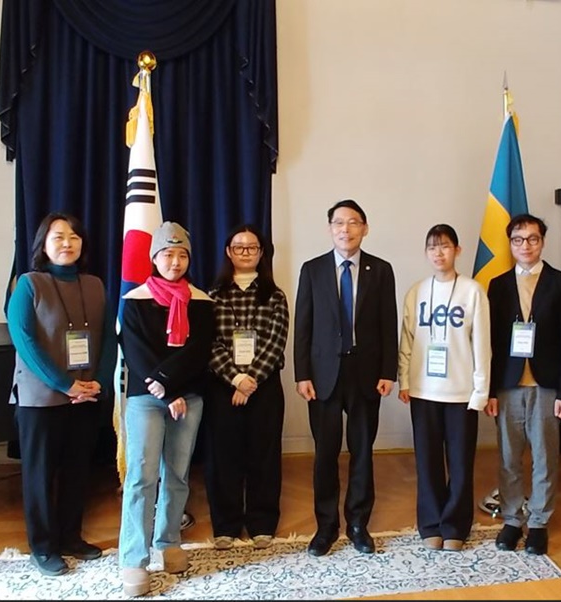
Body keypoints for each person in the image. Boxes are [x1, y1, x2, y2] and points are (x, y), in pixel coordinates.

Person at [6, 211, 117, 577]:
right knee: (39, 475)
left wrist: (99, 382)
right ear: (43, 244)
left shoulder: (95, 285)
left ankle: (70, 537)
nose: (67, 243)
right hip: (41, 398)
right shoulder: (28, 284)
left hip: (86, 395)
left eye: (74, 237)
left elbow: (108, 339)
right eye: (58, 237)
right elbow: (25, 342)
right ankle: (42, 547)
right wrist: (64, 384)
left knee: (77, 471)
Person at [294, 198, 398, 557]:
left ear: (365, 228)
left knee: (362, 452)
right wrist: (302, 374)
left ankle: (357, 524)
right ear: (330, 229)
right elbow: (303, 325)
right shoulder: (312, 269)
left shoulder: (380, 270)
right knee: (325, 453)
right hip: (323, 376)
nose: (346, 229)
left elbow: (388, 323)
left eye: (353, 222)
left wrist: (388, 371)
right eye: (339, 222)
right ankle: (326, 526)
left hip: (365, 374)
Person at [117, 221, 214, 596]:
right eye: (167, 254)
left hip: (187, 396)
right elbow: (136, 351)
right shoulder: (135, 300)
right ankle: (134, 558)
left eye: (182, 255)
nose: (175, 262)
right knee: (141, 477)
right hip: (146, 398)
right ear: (154, 258)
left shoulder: (201, 301)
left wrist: (171, 385)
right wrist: (163, 389)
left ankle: (169, 541)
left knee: (177, 473)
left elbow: (198, 351)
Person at [484, 214, 561, 556]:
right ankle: (512, 519)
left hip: (546, 385)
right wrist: (490, 390)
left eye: (533, 239)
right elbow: (491, 342)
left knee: (544, 457)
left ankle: (538, 522)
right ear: (510, 244)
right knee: (508, 457)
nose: (526, 246)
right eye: (518, 240)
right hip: (508, 385)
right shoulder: (498, 284)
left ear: (542, 242)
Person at [397, 224, 490, 552]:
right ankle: (430, 524)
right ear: (426, 253)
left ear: (457, 250)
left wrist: (481, 390)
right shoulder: (417, 292)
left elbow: (482, 344)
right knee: (428, 463)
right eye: (432, 247)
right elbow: (407, 341)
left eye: (445, 246)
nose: (438, 253)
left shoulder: (472, 291)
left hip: (461, 393)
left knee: (461, 464)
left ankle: (455, 526)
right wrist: (404, 380)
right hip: (423, 391)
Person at [204, 224, 289, 550]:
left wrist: (250, 379)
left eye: (252, 247)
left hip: (264, 387)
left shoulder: (275, 295)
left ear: (261, 252)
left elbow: (275, 342)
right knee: (223, 456)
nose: (245, 252)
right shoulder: (213, 295)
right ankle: (225, 524)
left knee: (263, 455)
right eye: (238, 247)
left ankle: (262, 522)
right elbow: (209, 343)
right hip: (223, 386)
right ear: (228, 252)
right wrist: (236, 379)